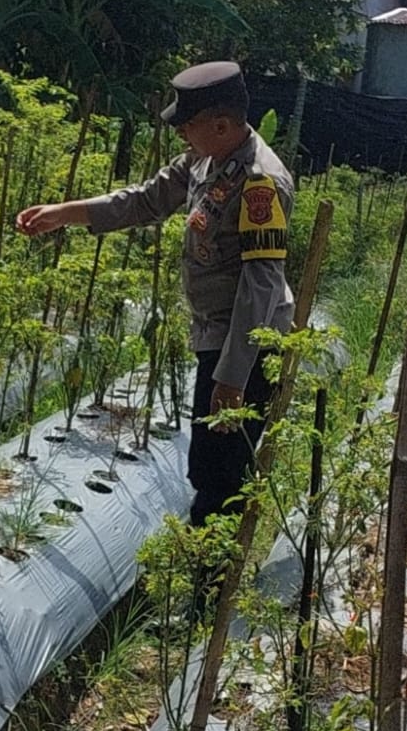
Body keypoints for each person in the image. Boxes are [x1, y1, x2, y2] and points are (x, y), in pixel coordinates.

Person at [15, 61, 294, 527]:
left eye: (188, 125)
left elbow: (260, 285)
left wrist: (232, 379)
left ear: (222, 125)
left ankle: (208, 590)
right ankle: (203, 572)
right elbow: (146, 199)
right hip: (215, 336)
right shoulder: (205, 159)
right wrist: (67, 213)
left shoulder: (260, 182)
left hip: (243, 346)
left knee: (220, 476)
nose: (181, 134)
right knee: (207, 465)